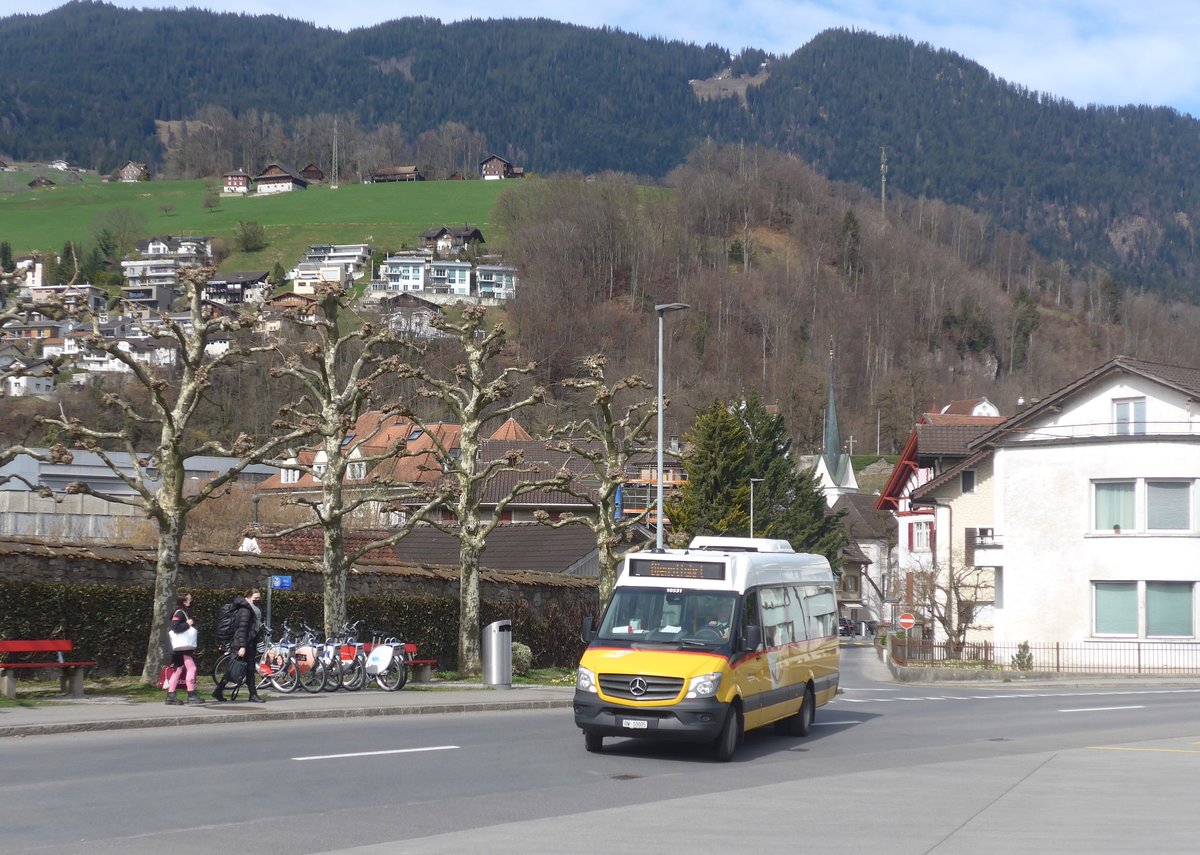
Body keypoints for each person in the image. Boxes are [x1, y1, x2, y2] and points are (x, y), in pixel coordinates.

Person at [211, 587, 265, 703]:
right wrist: (242, 646)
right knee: (237, 670)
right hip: (242, 644)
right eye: (255, 598)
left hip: (247, 644)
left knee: (245, 670)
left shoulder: (251, 609)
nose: (258, 600)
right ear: (248, 597)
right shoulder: (246, 611)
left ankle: (251, 694)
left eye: (259, 598)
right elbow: (242, 629)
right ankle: (252, 695)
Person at [165, 592, 205, 705]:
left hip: (179, 648)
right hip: (182, 648)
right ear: (184, 602)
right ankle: (191, 695)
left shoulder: (181, 612)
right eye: (189, 599)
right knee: (192, 668)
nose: (191, 601)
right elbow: (175, 627)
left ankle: (171, 696)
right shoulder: (180, 613)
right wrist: (188, 624)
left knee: (178, 670)